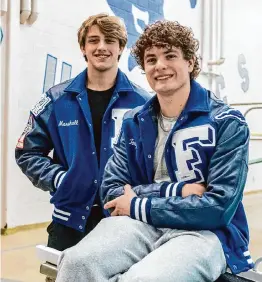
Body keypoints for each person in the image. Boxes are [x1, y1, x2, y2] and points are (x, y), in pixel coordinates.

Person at [56, 20, 254, 282]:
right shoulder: (134, 122)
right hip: (140, 224)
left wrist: (136, 200)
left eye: (170, 55)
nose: (159, 65)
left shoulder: (228, 123)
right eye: (151, 59)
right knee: (75, 263)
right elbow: (112, 192)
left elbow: (216, 208)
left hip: (205, 233)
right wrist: (176, 191)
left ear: (191, 63)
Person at [15, 12, 150, 277]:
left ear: (121, 47)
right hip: (69, 220)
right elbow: (27, 151)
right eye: (94, 40)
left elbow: (154, 162)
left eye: (110, 40)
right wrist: (60, 179)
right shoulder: (56, 99)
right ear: (83, 48)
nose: (101, 47)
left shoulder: (143, 103)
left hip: (123, 222)